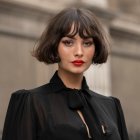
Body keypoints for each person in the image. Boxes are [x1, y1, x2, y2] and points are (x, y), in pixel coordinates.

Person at [2, 8, 129, 140]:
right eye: (68, 42)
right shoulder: (31, 102)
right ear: (54, 46)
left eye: (87, 43)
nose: (79, 52)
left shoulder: (111, 106)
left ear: (95, 48)